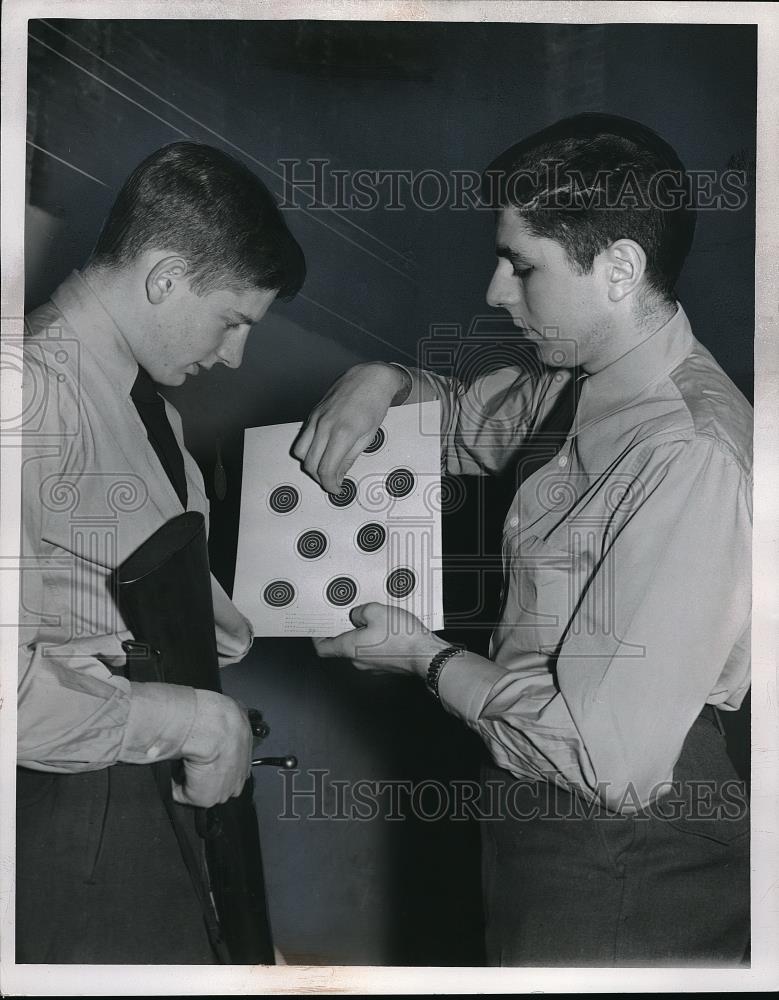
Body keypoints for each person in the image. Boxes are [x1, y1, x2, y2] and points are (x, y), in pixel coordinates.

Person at [294, 113, 751, 965]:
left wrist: (424, 659)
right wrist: (383, 379)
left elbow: (609, 761)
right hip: (535, 798)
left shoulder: (688, 452)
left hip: (627, 845)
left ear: (618, 269)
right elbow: (464, 419)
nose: (494, 292)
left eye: (520, 264)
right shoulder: (571, 387)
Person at [17, 142, 305, 963]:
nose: (233, 356)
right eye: (233, 320)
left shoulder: (158, 422)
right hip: (67, 799)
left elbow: (109, 590)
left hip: (142, 785)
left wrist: (212, 629)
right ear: (166, 277)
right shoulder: (27, 389)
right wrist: (196, 718)